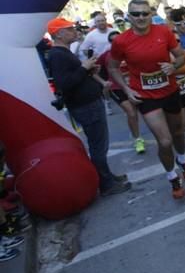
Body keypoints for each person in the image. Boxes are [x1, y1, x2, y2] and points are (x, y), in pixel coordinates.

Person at [108, 0, 185, 200]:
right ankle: (173, 177)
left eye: (144, 13)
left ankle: (182, 160)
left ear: (151, 14)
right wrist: (126, 89)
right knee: (164, 141)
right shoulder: (121, 41)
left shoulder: (163, 32)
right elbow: (112, 67)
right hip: (146, 96)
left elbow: (181, 56)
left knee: (178, 131)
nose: (141, 17)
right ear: (129, 16)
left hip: (170, 91)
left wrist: (173, 66)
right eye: (136, 14)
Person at [46, 18, 131, 196]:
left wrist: (88, 69)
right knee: (98, 146)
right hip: (85, 105)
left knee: (100, 144)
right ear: (59, 34)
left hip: (88, 103)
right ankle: (106, 184)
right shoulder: (58, 55)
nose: (74, 31)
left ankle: (107, 178)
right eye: (69, 29)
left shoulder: (62, 52)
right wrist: (84, 68)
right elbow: (65, 83)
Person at [97, 31, 146, 154]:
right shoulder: (106, 55)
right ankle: (138, 139)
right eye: (113, 41)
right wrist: (103, 82)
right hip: (117, 87)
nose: (116, 42)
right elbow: (93, 70)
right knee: (131, 112)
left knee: (147, 112)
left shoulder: (133, 51)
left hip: (137, 86)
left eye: (118, 39)